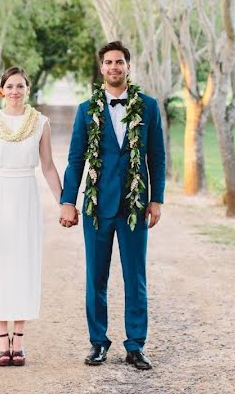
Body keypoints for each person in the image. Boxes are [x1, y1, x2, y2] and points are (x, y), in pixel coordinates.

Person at [60, 41, 165, 370]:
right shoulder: (85, 109)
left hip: (134, 206)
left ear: (128, 67)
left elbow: (157, 157)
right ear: (101, 68)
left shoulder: (148, 107)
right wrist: (68, 200)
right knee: (96, 278)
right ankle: (98, 342)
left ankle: (135, 344)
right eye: (108, 63)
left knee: (136, 276)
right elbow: (76, 159)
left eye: (119, 62)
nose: (114, 67)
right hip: (96, 205)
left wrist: (157, 198)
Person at [0, 67, 63, 367]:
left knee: (24, 265)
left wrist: (65, 203)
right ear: (1, 90)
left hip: (26, 196)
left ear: (27, 89)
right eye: (10, 86)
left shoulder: (40, 123)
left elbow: (47, 166)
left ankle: (18, 338)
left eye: (20, 86)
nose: (15, 91)